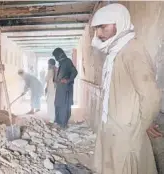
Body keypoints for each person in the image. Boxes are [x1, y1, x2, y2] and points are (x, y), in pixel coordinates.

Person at [90, 4, 161, 174]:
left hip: (126, 130)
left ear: (119, 22)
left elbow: (150, 96)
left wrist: (141, 124)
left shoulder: (133, 50)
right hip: (112, 127)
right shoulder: (115, 50)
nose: (99, 33)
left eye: (103, 27)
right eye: (97, 28)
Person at [52, 48, 77, 128]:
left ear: (60, 54)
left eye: (56, 56)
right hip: (60, 89)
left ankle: (63, 124)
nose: (55, 58)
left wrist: (68, 80)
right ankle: (58, 122)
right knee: (58, 105)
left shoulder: (67, 61)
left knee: (65, 106)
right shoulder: (61, 63)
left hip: (66, 89)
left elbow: (74, 72)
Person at [45, 59, 57, 123]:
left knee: (51, 105)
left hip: (51, 91)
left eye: (48, 63)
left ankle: (52, 120)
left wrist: (48, 70)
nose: (48, 65)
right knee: (53, 104)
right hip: (55, 90)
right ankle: (53, 118)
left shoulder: (51, 70)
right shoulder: (56, 69)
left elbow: (46, 79)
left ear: (50, 64)